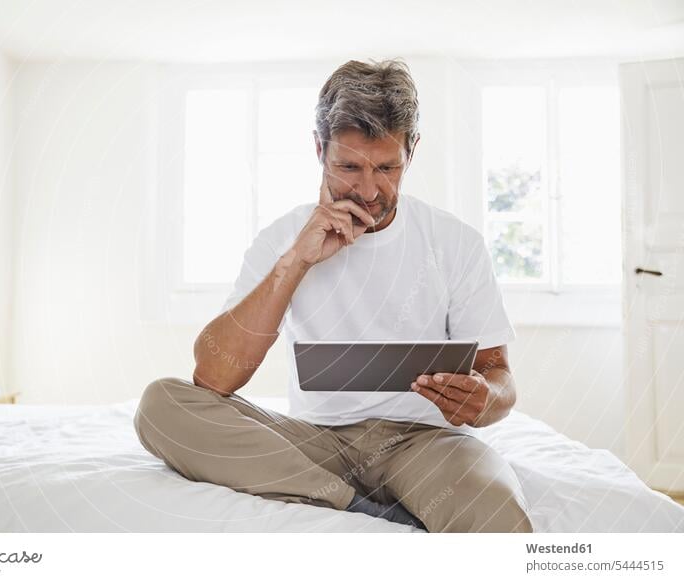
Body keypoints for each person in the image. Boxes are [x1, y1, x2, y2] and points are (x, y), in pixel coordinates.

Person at [134, 59, 533, 533]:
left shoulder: (455, 242)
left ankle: (334, 496)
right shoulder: (280, 240)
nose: (368, 190)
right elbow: (212, 377)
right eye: (348, 166)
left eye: (387, 167)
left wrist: (484, 398)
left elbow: (500, 378)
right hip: (310, 443)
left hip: (423, 444)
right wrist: (296, 262)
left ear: (413, 150)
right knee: (162, 407)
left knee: (493, 506)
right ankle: (354, 507)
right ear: (319, 149)